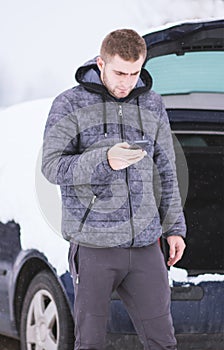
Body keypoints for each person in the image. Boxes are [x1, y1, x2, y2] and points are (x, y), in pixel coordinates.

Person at [42, 29, 186, 350]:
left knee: (163, 342)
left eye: (135, 73)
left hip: (147, 245)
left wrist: (174, 227)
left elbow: (165, 169)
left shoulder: (152, 104)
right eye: (120, 72)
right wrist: (104, 160)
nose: (127, 82)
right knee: (90, 343)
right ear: (100, 63)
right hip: (94, 246)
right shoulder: (69, 104)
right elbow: (52, 167)